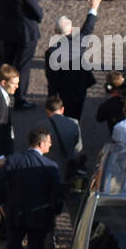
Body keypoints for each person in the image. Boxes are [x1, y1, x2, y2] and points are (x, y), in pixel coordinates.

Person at [0, 128, 64, 249]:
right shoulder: (50, 167)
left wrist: (2, 204)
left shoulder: (13, 161)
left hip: (16, 214)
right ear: (41, 144)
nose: (50, 144)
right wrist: (55, 211)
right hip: (39, 217)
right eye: (48, 141)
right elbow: (57, 195)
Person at [0, 0, 43, 110]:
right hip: (25, 33)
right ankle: (20, 99)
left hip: (7, 31)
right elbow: (38, 13)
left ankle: (0, 94)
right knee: (23, 66)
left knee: (6, 63)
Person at [45, 0, 103, 120]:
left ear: (55, 31)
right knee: (76, 115)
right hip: (80, 86)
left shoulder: (51, 52)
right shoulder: (79, 42)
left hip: (64, 90)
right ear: (71, 30)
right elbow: (88, 27)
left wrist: (51, 97)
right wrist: (93, 8)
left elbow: (52, 77)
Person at [42, 95, 87, 225]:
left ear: (47, 110)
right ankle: (76, 240)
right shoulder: (74, 123)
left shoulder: (41, 125)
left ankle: (49, 242)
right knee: (74, 210)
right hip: (70, 174)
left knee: (49, 211)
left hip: (49, 175)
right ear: (62, 109)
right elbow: (78, 148)